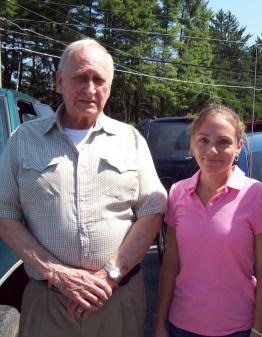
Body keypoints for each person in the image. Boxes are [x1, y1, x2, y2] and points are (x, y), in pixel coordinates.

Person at [0, 39, 167, 337]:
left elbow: (152, 211)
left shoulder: (130, 140)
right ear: (59, 81)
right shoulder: (23, 140)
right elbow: (4, 214)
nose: (90, 89)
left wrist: (109, 276)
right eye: (80, 78)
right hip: (48, 302)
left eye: (99, 79)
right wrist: (58, 274)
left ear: (110, 87)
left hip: (117, 300)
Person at [154, 104, 262, 337]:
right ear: (192, 143)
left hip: (238, 328)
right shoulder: (178, 193)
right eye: (203, 140)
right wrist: (160, 322)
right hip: (182, 326)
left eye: (223, 142)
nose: (212, 150)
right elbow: (170, 264)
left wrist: (259, 330)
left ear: (239, 147)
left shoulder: (256, 194)